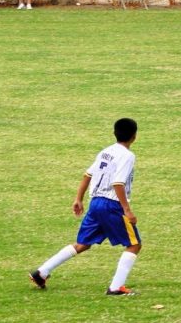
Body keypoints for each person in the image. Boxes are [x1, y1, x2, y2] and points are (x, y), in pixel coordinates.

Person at [29, 118, 142, 296]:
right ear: (134, 136)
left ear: (114, 133)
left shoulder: (106, 152)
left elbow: (88, 175)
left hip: (95, 203)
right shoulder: (128, 156)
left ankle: (42, 272)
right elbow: (118, 183)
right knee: (134, 245)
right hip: (112, 205)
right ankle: (116, 288)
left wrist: (78, 198)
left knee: (82, 244)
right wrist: (127, 210)